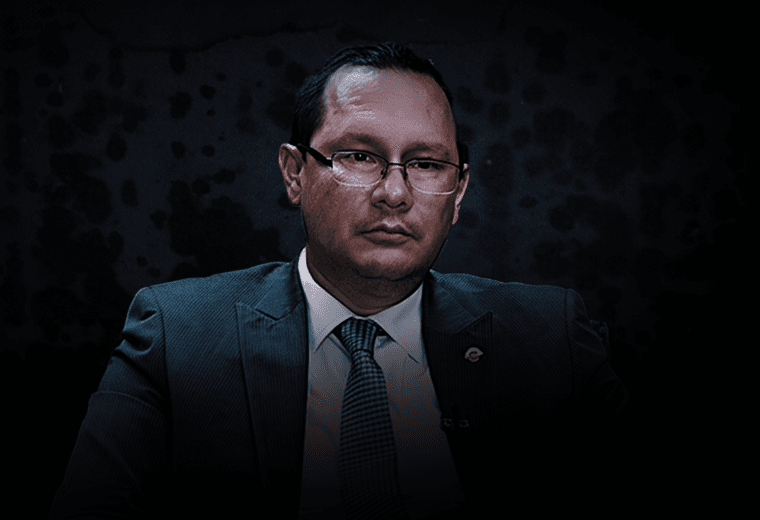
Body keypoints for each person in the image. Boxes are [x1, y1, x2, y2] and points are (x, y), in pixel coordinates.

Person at [50, 42, 631, 520]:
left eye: (427, 164)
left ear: (458, 194)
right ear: (294, 173)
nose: (395, 193)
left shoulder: (550, 340)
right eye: (359, 156)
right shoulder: (178, 337)